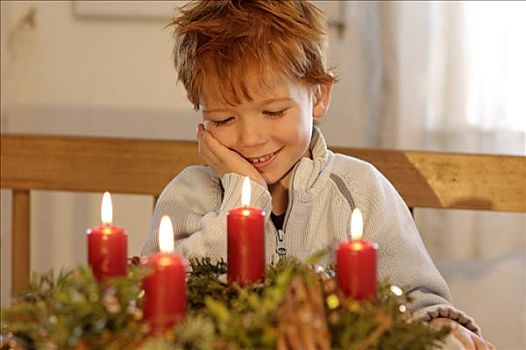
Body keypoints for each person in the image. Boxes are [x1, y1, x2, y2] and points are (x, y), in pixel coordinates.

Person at [140, 1, 494, 348]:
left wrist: (439, 323)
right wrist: (243, 194)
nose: (250, 139)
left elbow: (419, 301)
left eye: (274, 112)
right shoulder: (188, 196)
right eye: (223, 120)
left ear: (319, 95)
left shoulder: (361, 189)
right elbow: (154, 301)